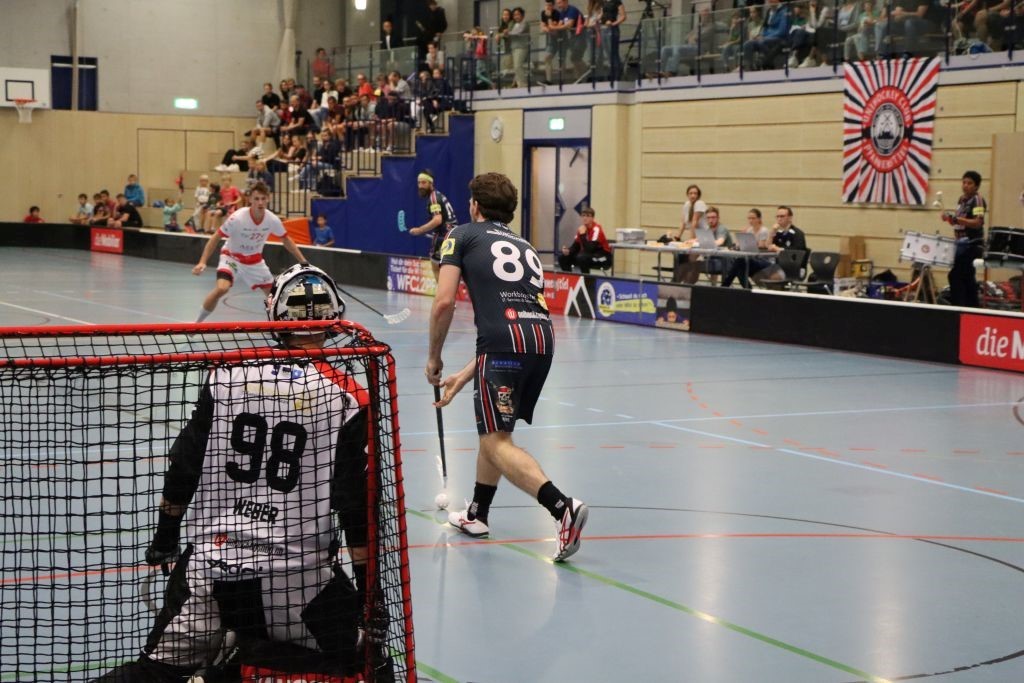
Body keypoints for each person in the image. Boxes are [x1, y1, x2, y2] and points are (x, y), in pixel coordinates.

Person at [93, 265, 383, 683]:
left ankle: (223, 663)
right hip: (298, 579)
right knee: (365, 661)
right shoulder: (349, 398)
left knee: (154, 672)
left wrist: (164, 540)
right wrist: (369, 596)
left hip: (209, 569)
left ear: (275, 315)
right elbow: (354, 507)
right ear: (335, 317)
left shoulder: (227, 374)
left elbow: (184, 469)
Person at [427, 172, 588, 563]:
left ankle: (562, 507)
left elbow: (444, 301)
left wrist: (434, 357)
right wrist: (468, 374)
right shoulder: (524, 245)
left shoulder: (461, 235)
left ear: (475, 206)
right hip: (541, 342)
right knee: (494, 433)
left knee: (496, 443)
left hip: (503, 345)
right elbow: (519, 317)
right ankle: (477, 514)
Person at [192, 182, 307, 323]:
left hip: (255, 262)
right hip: (231, 258)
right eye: (257, 198)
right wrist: (202, 262)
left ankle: (279, 327)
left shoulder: (272, 220)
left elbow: (286, 240)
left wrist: (303, 261)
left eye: (263, 198)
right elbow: (216, 237)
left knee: (274, 296)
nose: (260, 202)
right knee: (222, 288)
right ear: (250, 199)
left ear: (268, 199)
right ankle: (197, 323)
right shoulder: (237, 218)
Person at [722, 205, 806, 288]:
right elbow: (767, 246)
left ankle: (726, 287)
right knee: (741, 262)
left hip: (788, 267)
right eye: (777, 216)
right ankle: (745, 290)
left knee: (740, 262)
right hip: (774, 265)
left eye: (782, 216)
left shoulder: (797, 233)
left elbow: (798, 251)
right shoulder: (779, 233)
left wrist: (778, 249)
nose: (779, 219)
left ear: (790, 218)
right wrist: (772, 231)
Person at [942, 170, 987, 307]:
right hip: (960, 244)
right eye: (964, 182)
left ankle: (959, 307)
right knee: (967, 277)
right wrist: (949, 218)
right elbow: (957, 222)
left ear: (976, 186)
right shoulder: (961, 200)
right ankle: (973, 307)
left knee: (955, 276)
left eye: (970, 183)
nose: (965, 185)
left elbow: (977, 222)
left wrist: (957, 219)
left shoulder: (978, 200)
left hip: (972, 244)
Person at [408, 170, 458, 282]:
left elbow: (437, 220)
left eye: (424, 182)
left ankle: (441, 292)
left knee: (436, 266)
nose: (420, 186)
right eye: (419, 183)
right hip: (453, 233)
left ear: (431, 183)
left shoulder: (433, 198)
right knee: (447, 267)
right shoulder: (438, 195)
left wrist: (419, 230)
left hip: (443, 236)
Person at [558, 207, 612, 273]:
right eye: (583, 215)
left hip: (603, 258)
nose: (585, 218)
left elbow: (590, 249)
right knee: (562, 258)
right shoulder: (582, 229)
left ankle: (588, 280)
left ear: (592, 218)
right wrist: (568, 251)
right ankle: (570, 278)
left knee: (582, 257)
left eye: (588, 216)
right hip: (589, 255)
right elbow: (576, 246)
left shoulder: (596, 229)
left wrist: (583, 234)